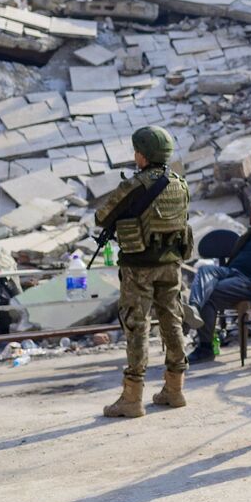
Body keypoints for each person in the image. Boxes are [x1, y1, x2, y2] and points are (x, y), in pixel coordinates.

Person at [96, 126, 193, 418]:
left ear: (142, 155)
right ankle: (174, 389)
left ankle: (132, 397)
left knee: (137, 325)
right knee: (172, 321)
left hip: (139, 267)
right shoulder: (180, 183)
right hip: (171, 264)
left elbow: (102, 215)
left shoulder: (135, 185)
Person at [187, 198, 251, 363]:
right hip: (229, 272)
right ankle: (193, 309)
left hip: (250, 282)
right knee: (205, 270)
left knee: (209, 294)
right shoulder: (247, 235)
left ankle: (204, 346)